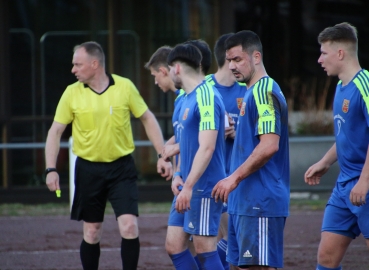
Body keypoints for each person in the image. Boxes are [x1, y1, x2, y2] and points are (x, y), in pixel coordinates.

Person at [44, 41, 172, 270]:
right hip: (88, 169)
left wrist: (162, 154)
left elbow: (147, 118)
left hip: (121, 168)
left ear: (94, 64)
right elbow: (55, 131)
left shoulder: (124, 86)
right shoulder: (71, 93)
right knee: (92, 232)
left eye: (77, 64)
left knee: (130, 227)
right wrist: (50, 169)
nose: (73, 69)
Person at [211, 30, 290, 270]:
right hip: (243, 201)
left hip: (261, 201)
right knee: (237, 266)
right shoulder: (249, 92)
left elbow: (269, 145)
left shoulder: (264, 92)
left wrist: (232, 178)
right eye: (229, 60)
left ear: (256, 57)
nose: (232, 66)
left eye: (238, 59)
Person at [304, 22, 369, 270]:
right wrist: (324, 162)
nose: (319, 59)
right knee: (326, 260)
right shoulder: (341, 87)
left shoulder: (365, 86)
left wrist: (364, 181)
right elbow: (347, 134)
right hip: (344, 186)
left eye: (323, 53)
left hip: (365, 185)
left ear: (340, 53)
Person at [166, 43, 227, 270]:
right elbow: (189, 145)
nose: (169, 73)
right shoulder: (186, 97)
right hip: (188, 183)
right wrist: (178, 174)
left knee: (205, 249)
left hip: (203, 185)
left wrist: (189, 186)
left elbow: (207, 148)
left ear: (178, 68)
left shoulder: (206, 96)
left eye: (170, 67)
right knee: (174, 246)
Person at [205, 33, 246, 270]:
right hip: (212, 178)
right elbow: (185, 135)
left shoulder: (246, 90)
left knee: (231, 242)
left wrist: (235, 131)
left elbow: (260, 136)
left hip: (239, 176)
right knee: (218, 240)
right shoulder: (204, 89)